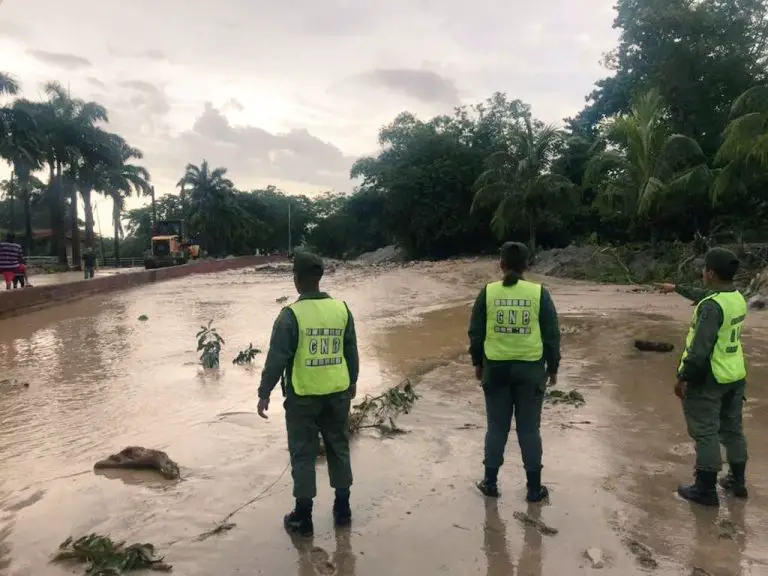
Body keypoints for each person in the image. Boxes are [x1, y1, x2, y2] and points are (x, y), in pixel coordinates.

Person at [258, 251, 360, 537]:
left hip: (303, 398)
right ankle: (343, 510)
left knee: (303, 455)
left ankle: (303, 517)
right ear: (320, 278)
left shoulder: (290, 315)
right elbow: (351, 350)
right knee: (339, 448)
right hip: (338, 394)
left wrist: (264, 392)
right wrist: (353, 381)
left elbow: (276, 358)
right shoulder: (341, 309)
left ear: (297, 280)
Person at [468, 241, 561, 502]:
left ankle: (490, 483)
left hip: (495, 370)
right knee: (529, 430)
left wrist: (478, 363)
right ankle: (533, 489)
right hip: (531, 370)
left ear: (501, 264)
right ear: (527, 266)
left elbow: (476, 333)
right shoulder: (539, 293)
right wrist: (553, 368)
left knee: (496, 428)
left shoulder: (488, 293)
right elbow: (551, 335)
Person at [659, 248, 749, 506]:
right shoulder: (736, 297)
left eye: (703, 269)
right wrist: (675, 288)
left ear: (709, 273)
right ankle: (737, 482)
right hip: (735, 374)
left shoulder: (710, 307)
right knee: (733, 430)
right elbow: (706, 296)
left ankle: (705, 490)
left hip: (710, 377)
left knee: (706, 432)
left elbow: (699, 350)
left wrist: (683, 377)